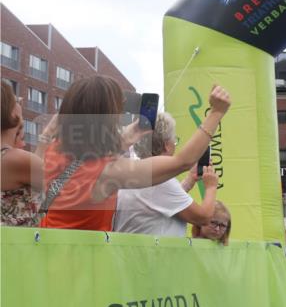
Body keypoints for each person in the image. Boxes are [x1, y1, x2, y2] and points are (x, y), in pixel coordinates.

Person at [39, 75, 230, 231]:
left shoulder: (53, 150)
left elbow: (91, 153)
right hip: (78, 259)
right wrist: (216, 113)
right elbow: (183, 161)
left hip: (48, 248)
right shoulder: (108, 172)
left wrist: (132, 134)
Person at [113, 112, 220, 237]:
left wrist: (189, 180)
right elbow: (203, 218)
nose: (175, 145)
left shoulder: (132, 173)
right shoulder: (161, 183)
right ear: (166, 145)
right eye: (175, 141)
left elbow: (164, 200)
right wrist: (211, 187)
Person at [1, 81, 43, 226]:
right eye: (16, 100)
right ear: (11, 112)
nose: (20, 101)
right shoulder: (14, 159)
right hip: (18, 241)